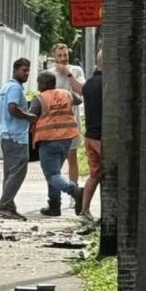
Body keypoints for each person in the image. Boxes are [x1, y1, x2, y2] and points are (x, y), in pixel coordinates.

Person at [31, 71, 84, 216]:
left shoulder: (39, 98)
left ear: (42, 84)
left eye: (38, 83)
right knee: (56, 173)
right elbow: (78, 100)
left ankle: (75, 191)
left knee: (52, 174)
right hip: (66, 139)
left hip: (48, 140)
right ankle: (54, 205)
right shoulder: (67, 94)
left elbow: (31, 116)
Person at [0, 58, 35, 220]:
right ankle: (4, 205)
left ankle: (9, 206)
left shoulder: (7, 87)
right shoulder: (15, 88)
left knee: (10, 173)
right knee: (18, 171)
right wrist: (28, 116)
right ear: (15, 70)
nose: (26, 74)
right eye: (24, 70)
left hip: (7, 135)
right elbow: (12, 108)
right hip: (16, 136)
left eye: (28, 70)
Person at [51, 43, 85, 195]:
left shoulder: (76, 70)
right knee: (54, 161)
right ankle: (55, 196)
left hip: (72, 122)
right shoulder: (50, 74)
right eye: (60, 55)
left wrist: (68, 74)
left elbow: (81, 90)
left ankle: (74, 191)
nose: (63, 58)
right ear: (54, 57)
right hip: (54, 124)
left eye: (65, 55)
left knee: (72, 157)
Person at [80, 49, 103, 220]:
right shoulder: (109, 83)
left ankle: (85, 209)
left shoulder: (88, 84)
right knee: (113, 172)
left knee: (95, 174)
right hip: (102, 137)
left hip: (90, 135)